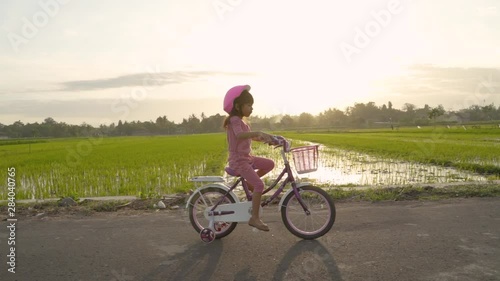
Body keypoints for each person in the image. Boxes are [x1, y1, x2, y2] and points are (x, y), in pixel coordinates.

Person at [223, 85, 275, 231]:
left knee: (270, 164)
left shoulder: (243, 122)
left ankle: (251, 184)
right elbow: (240, 135)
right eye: (249, 105)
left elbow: (251, 137)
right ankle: (255, 218)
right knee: (260, 185)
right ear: (238, 106)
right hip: (238, 161)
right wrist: (257, 132)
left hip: (247, 158)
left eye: (252, 106)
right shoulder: (234, 120)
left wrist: (269, 139)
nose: (251, 108)